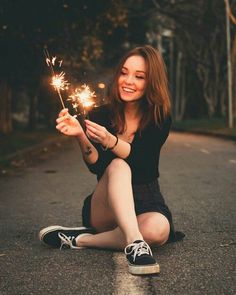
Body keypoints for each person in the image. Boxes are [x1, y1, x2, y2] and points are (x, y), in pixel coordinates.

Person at [39, 45, 184, 275]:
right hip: (105, 204)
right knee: (118, 165)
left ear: (151, 83)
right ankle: (135, 244)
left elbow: (144, 163)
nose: (128, 81)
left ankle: (82, 239)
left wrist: (110, 140)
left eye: (139, 77)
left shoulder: (159, 118)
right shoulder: (101, 115)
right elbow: (96, 165)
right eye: (124, 73)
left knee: (158, 231)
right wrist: (79, 135)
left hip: (146, 198)